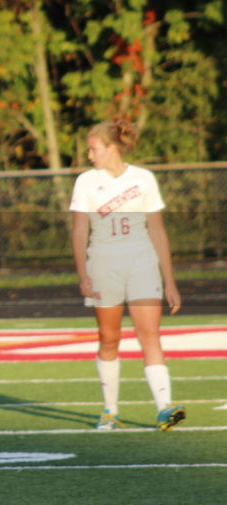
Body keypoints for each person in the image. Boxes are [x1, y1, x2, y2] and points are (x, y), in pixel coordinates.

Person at [69, 120, 183, 431]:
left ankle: (165, 408)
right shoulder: (86, 182)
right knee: (110, 338)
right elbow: (80, 232)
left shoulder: (144, 179)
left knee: (150, 333)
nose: (90, 155)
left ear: (111, 148)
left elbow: (157, 230)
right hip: (104, 264)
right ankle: (110, 410)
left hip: (142, 262)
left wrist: (169, 280)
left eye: (94, 149)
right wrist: (84, 274)